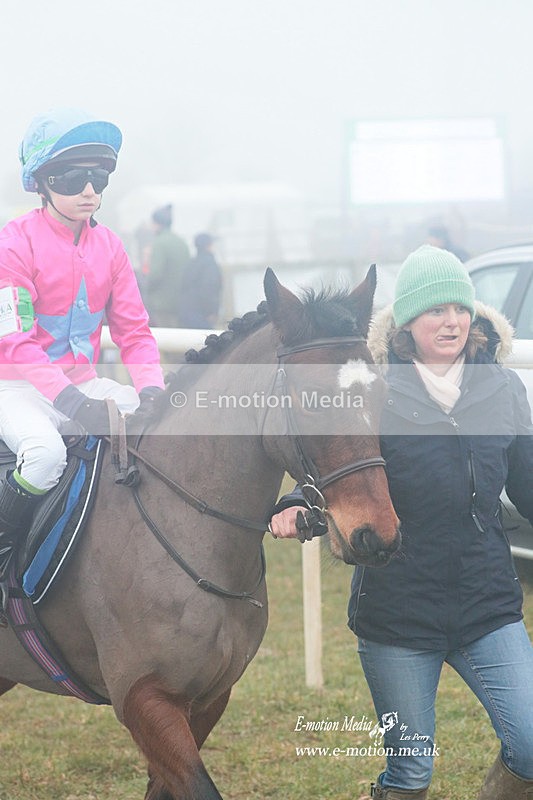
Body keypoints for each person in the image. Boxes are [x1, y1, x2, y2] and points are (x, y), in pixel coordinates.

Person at [269, 245, 533, 799]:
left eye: (460, 309)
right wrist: (296, 503)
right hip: (399, 613)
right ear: (406, 322)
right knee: (412, 775)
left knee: (532, 746)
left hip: (487, 604)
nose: (452, 321)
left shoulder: (505, 389)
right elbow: (342, 462)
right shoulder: (376, 388)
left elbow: (529, 488)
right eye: (435, 310)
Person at [0, 107, 165, 623]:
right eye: (75, 178)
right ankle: (6, 559)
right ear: (44, 183)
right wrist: (73, 402)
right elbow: (17, 345)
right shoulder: (13, 242)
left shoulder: (111, 246)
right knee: (45, 455)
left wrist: (154, 391)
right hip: (17, 386)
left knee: (162, 427)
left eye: (99, 177)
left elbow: (135, 332)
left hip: (83, 384)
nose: (90, 189)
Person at [144, 203, 190, 327]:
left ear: (157, 223)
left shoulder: (159, 243)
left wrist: (146, 290)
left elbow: (155, 274)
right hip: (181, 301)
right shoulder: (181, 242)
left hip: (162, 303)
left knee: (166, 340)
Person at [178, 232, 222, 329]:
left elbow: (183, 287)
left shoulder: (191, 263)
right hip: (202, 314)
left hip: (187, 312)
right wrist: (212, 312)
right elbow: (210, 288)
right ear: (208, 246)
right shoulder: (209, 264)